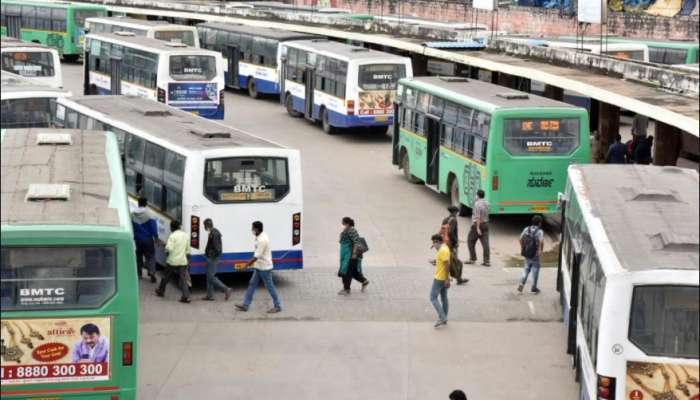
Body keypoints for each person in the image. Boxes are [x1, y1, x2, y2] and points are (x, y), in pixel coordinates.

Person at [235, 221, 282, 313]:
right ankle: (245, 305)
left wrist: (245, 266)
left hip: (264, 268)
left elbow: (257, 256)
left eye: (252, 228)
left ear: (256, 229)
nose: (251, 230)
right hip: (259, 266)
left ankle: (278, 306)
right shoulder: (261, 235)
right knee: (252, 284)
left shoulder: (262, 240)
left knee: (270, 287)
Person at [155, 220, 191, 303]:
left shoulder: (172, 236)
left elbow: (169, 248)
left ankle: (161, 291)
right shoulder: (185, 235)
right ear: (179, 227)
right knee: (183, 279)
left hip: (172, 261)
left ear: (172, 227)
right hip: (183, 261)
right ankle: (186, 296)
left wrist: (165, 246)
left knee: (165, 277)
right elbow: (188, 250)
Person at [337, 217, 369, 295]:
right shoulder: (347, 230)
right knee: (353, 272)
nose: (342, 224)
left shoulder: (352, 230)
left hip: (350, 256)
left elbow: (356, 242)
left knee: (346, 272)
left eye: (343, 223)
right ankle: (364, 281)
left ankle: (346, 289)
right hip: (346, 255)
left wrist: (354, 254)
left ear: (347, 223)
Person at [202, 218, 231, 301]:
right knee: (209, 276)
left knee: (211, 277)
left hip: (212, 258)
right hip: (211, 257)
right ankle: (209, 295)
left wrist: (211, 256)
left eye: (204, 225)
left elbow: (217, 248)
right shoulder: (213, 232)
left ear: (207, 225)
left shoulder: (214, 233)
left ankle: (226, 289)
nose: (204, 227)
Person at [131, 196, 158, 283]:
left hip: (137, 239)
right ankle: (152, 272)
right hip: (147, 239)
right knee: (150, 256)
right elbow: (153, 228)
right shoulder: (150, 214)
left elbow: (131, 226)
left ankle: (139, 273)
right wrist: (156, 237)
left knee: (139, 256)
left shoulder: (132, 214)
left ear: (138, 203)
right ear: (146, 204)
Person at [517, 215, 545, 294]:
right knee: (535, 271)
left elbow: (520, 239)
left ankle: (522, 283)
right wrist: (540, 251)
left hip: (527, 253)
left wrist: (523, 248)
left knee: (526, 269)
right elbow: (541, 242)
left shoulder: (526, 229)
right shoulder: (540, 231)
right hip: (535, 255)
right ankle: (534, 287)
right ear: (539, 223)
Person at [441, 206, 468, 285]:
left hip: (444, 243)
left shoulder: (445, 219)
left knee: (452, 262)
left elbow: (443, 231)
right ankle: (458, 279)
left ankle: (457, 278)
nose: (457, 213)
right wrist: (455, 242)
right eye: (457, 212)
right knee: (458, 262)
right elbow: (450, 232)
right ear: (454, 212)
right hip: (450, 244)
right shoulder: (454, 220)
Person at [429, 234, 451, 328]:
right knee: (444, 298)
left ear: (437, 241)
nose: (434, 246)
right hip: (443, 277)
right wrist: (435, 262)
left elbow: (446, 265)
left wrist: (447, 279)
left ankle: (442, 317)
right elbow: (443, 262)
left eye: (434, 243)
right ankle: (444, 317)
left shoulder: (442, 250)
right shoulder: (444, 248)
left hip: (440, 278)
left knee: (433, 297)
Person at [466, 190, 490, 267]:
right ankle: (487, 261)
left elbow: (478, 217)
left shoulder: (477, 204)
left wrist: (477, 228)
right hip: (486, 224)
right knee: (485, 243)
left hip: (477, 225)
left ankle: (472, 259)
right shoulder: (487, 203)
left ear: (478, 195)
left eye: (476, 194)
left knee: (470, 241)